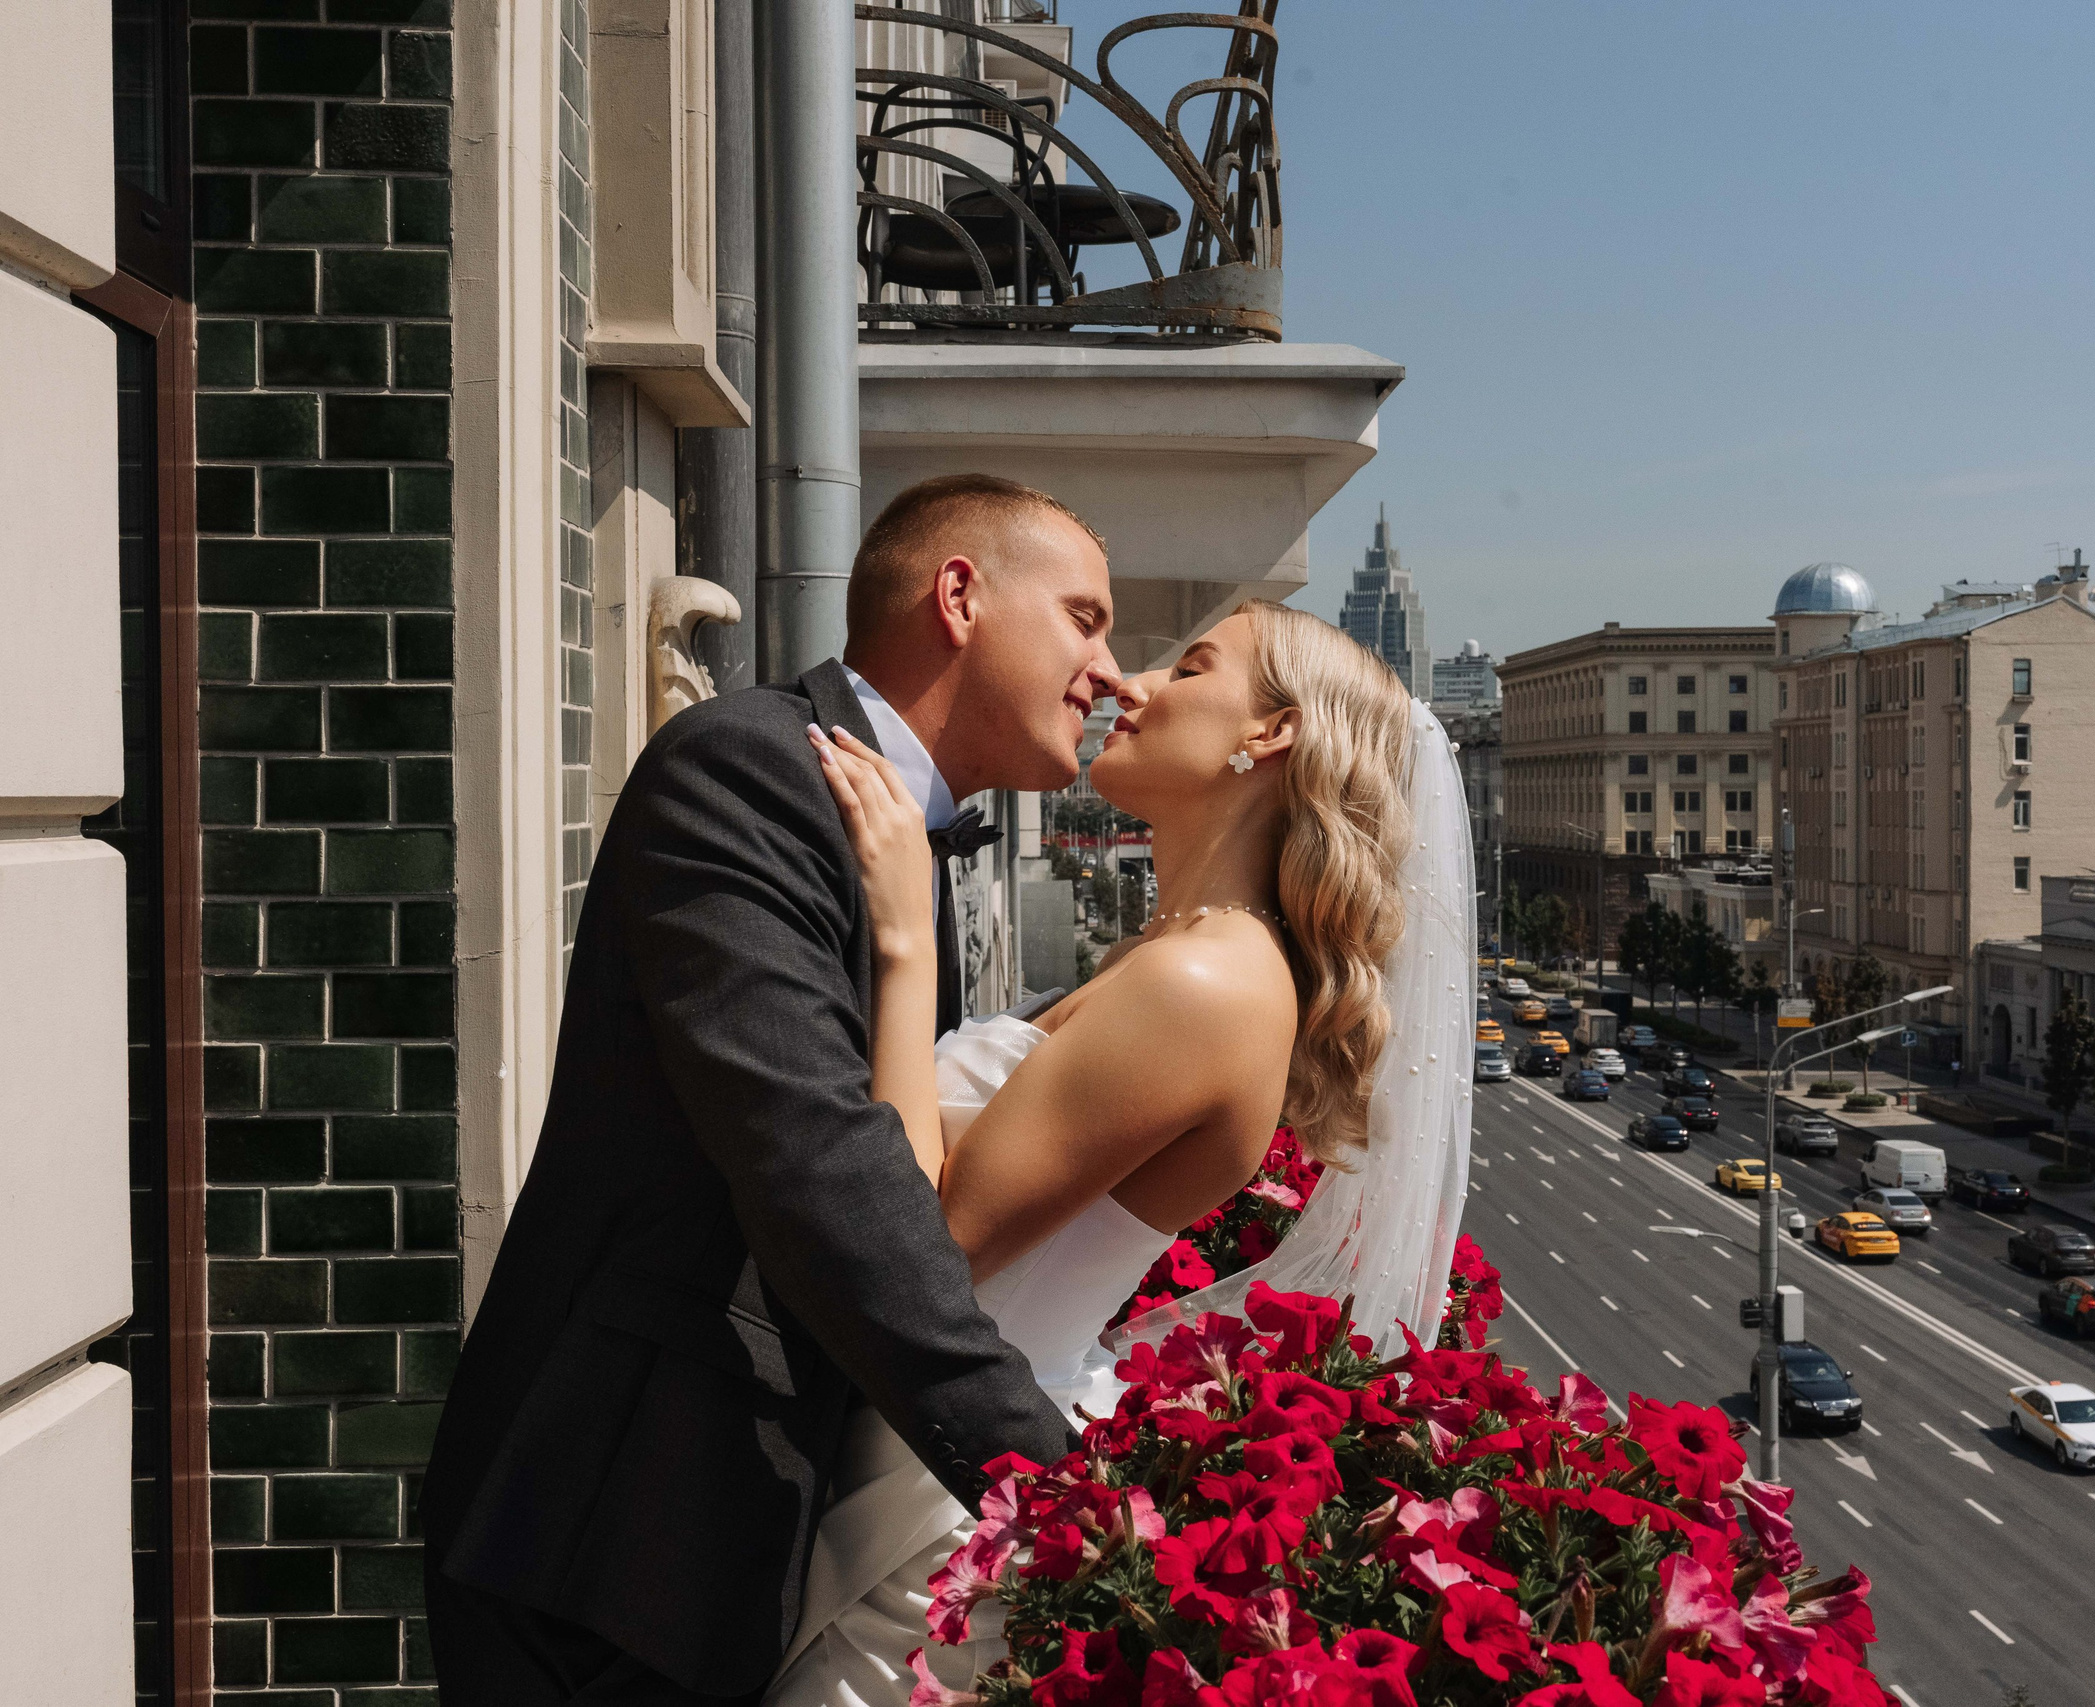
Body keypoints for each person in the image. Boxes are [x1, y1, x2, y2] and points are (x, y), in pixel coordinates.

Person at [422, 475, 1124, 1704]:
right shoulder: (746, 772)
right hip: (616, 1537)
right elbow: (825, 1174)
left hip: (728, 1536)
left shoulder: (898, 837)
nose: (1111, 672)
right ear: (958, 595)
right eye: (1084, 618)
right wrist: (1062, 1506)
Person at [765, 598, 1474, 1707]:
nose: (1127, 685)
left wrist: (904, 941)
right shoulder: (1182, 957)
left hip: (934, 1511)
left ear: (1269, 735)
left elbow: (926, 1243)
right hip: (914, 1454)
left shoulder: (1206, 985)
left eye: (1189, 667)